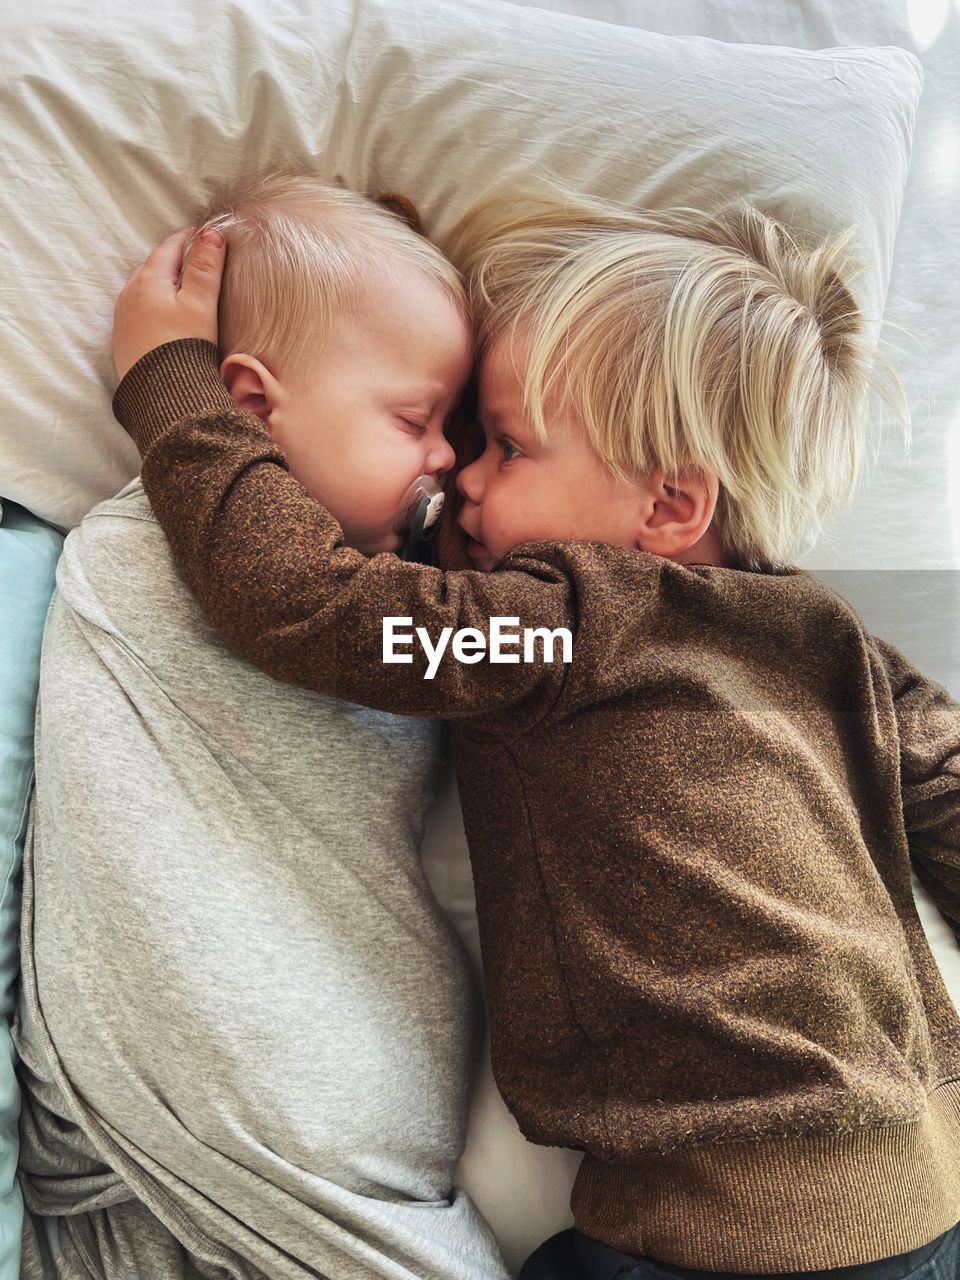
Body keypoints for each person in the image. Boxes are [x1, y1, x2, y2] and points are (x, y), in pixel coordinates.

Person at [110, 192, 960, 1279]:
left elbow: (304, 607)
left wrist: (174, 376)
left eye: (507, 445)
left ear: (669, 506)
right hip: (925, 1191)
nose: (462, 472)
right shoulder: (829, 641)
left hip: (728, 1229)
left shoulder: (560, 622)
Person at [14, 172, 511, 1280]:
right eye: (416, 419)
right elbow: (266, 570)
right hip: (212, 1120)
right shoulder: (152, 555)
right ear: (245, 407)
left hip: (322, 1123)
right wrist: (168, 376)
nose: (446, 461)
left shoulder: (402, 590)